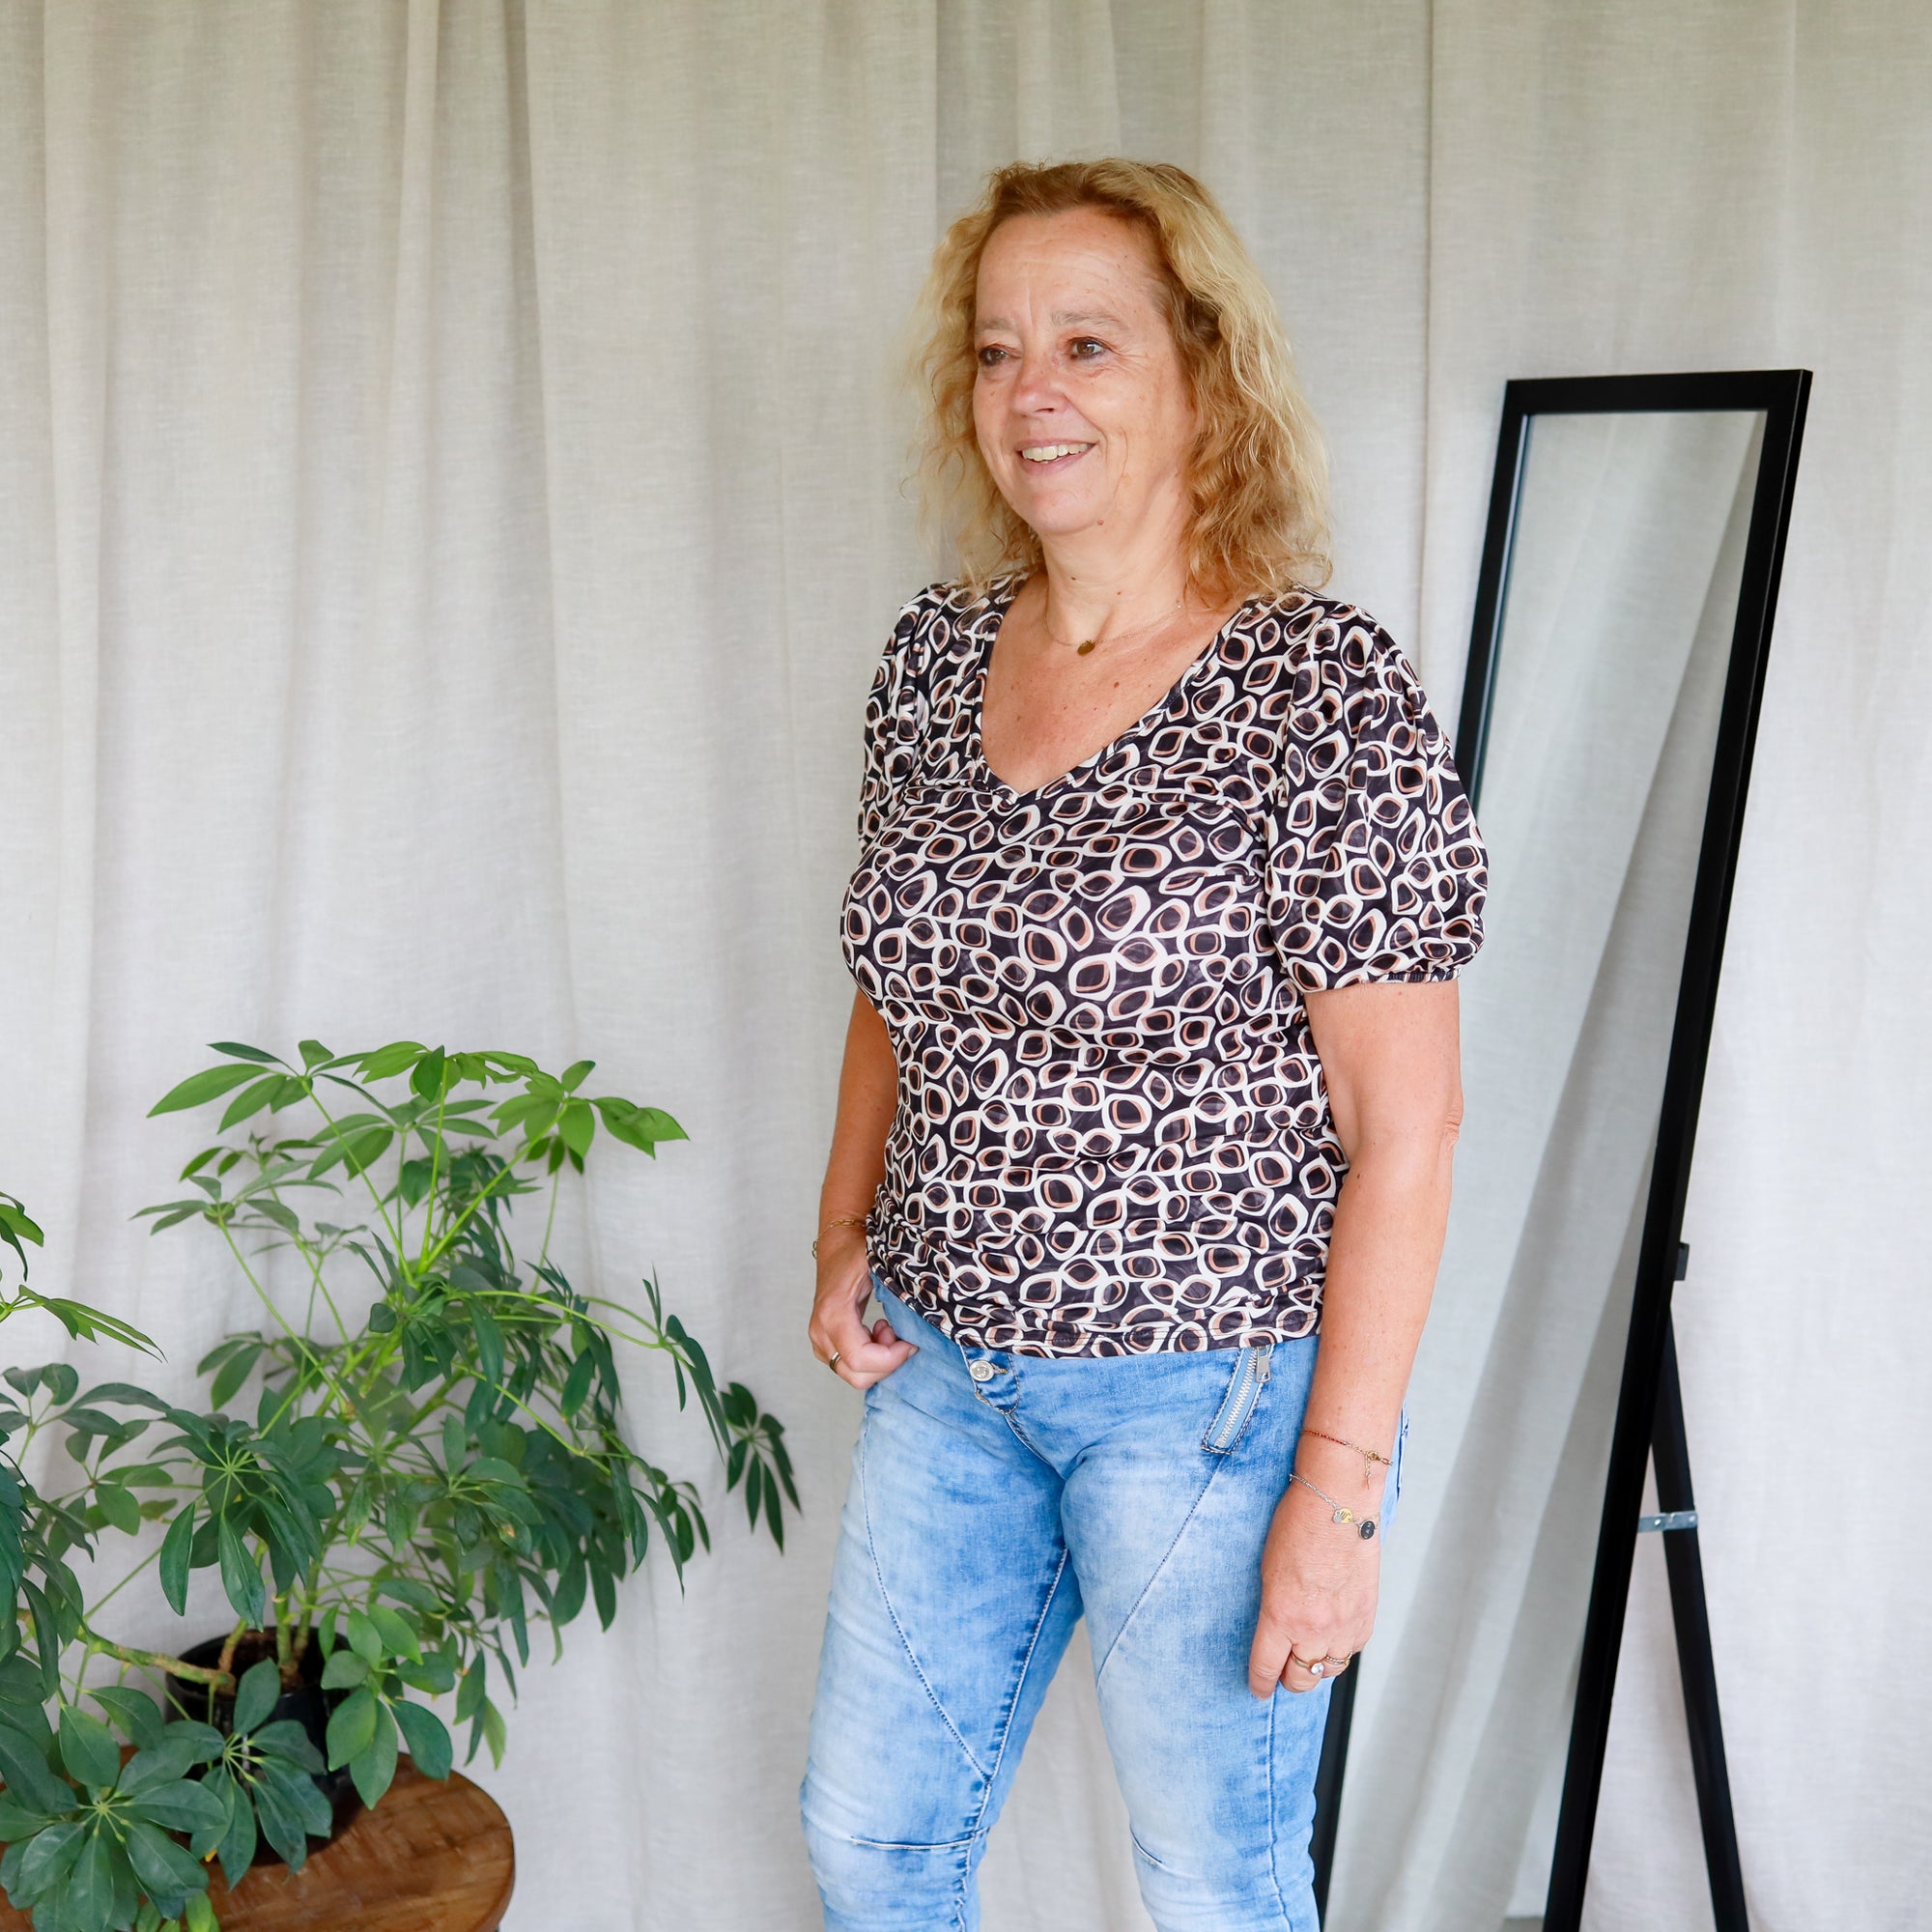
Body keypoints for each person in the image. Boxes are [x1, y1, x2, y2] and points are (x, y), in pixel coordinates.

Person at [799, 157, 1486, 1932]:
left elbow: (1408, 1132)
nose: (1032, 391)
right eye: (998, 348)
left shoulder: (1320, 691)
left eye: (1088, 344)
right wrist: (844, 1226)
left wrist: (1337, 1501)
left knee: (1215, 1890)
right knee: (872, 1848)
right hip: (944, 1367)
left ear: (1203, 371)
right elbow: (894, 978)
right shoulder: (934, 659)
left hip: (1207, 1398)